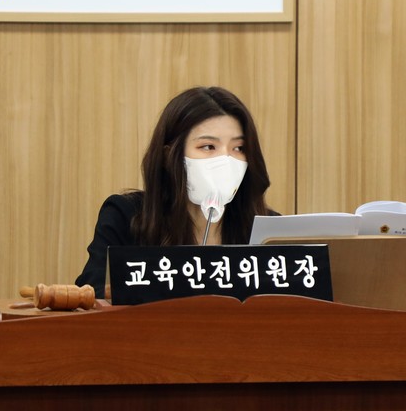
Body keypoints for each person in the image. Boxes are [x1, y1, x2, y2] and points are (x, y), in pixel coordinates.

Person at [75, 86, 277, 297]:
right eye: (208, 147)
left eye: (239, 148)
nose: (225, 160)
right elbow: (92, 294)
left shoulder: (269, 230)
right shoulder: (127, 216)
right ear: (170, 156)